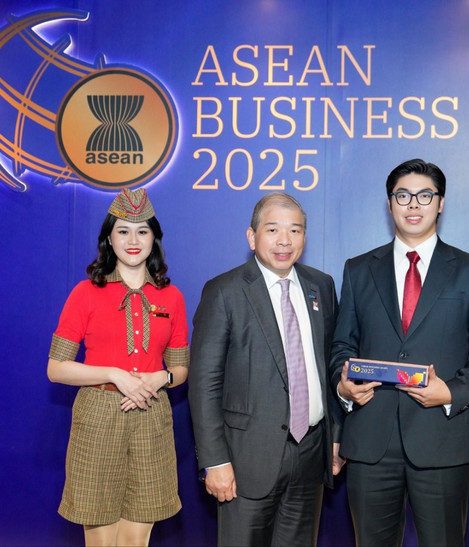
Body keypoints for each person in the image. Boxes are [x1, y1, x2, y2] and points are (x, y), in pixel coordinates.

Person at [330, 158, 469, 546]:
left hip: (441, 441)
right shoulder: (359, 270)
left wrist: (452, 393)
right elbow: (342, 345)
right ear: (389, 203)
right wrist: (343, 387)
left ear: (440, 203)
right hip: (370, 441)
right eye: (403, 195)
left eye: (424, 195)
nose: (414, 205)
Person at [188, 192, 343, 547]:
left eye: (295, 230)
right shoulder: (224, 291)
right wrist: (215, 461)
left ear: (305, 237)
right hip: (246, 461)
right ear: (251, 236)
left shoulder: (321, 286)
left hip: (311, 453)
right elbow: (204, 384)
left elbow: (329, 365)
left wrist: (337, 435)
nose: (284, 240)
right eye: (273, 229)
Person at [47, 188, 189, 546]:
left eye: (142, 231)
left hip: (151, 415)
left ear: (154, 238)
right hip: (98, 415)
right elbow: (56, 368)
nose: (133, 240)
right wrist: (113, 374)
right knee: (100, 537)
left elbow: (181, 370)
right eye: (123, 230)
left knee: (136, 539)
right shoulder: (86, 292)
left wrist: (162, 378)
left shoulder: (170, 296)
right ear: (108, 238)